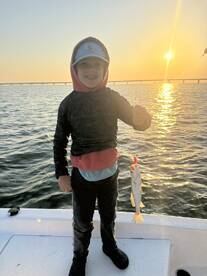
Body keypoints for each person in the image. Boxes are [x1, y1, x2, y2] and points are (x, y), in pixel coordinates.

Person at [53, 37, 151, 276]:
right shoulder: (67, 104)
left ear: (106, 69)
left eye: (97, 64)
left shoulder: (113, 98)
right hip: (81, 178)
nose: (91, 70)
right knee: (82, 221)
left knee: (109, 215)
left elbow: (135, 120)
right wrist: (61, 173)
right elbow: (59, 140)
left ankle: (109, 246)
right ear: (74, 70)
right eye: (84, 65)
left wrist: (143, 119)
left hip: (110, 175)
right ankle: (80, 256)